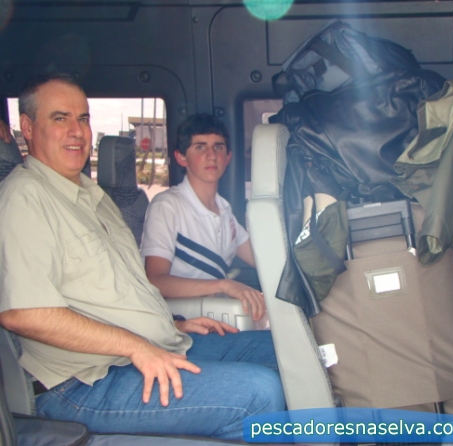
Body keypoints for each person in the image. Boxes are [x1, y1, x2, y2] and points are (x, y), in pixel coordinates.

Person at [0, 73, 285, 439]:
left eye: (83, 118)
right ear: (27, 127)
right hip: (84, 383)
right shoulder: (24, 197)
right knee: (259, 392)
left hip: (155, 345)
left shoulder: (94, 198)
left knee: (285, 351)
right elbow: (24, 313)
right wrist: (135, 345)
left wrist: (171, 325)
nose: (76, 131)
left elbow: (117, 293)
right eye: (60, 118)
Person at [140, 114, 266, 322]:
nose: (211, 155)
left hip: (215, 314)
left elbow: (262, 260)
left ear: (228, 157)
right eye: (200, 147)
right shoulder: (167, 206)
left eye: (218, 147)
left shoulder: (225, 211)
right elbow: (155, 281)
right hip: (179, 320)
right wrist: (224, 285)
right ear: (181, 157)